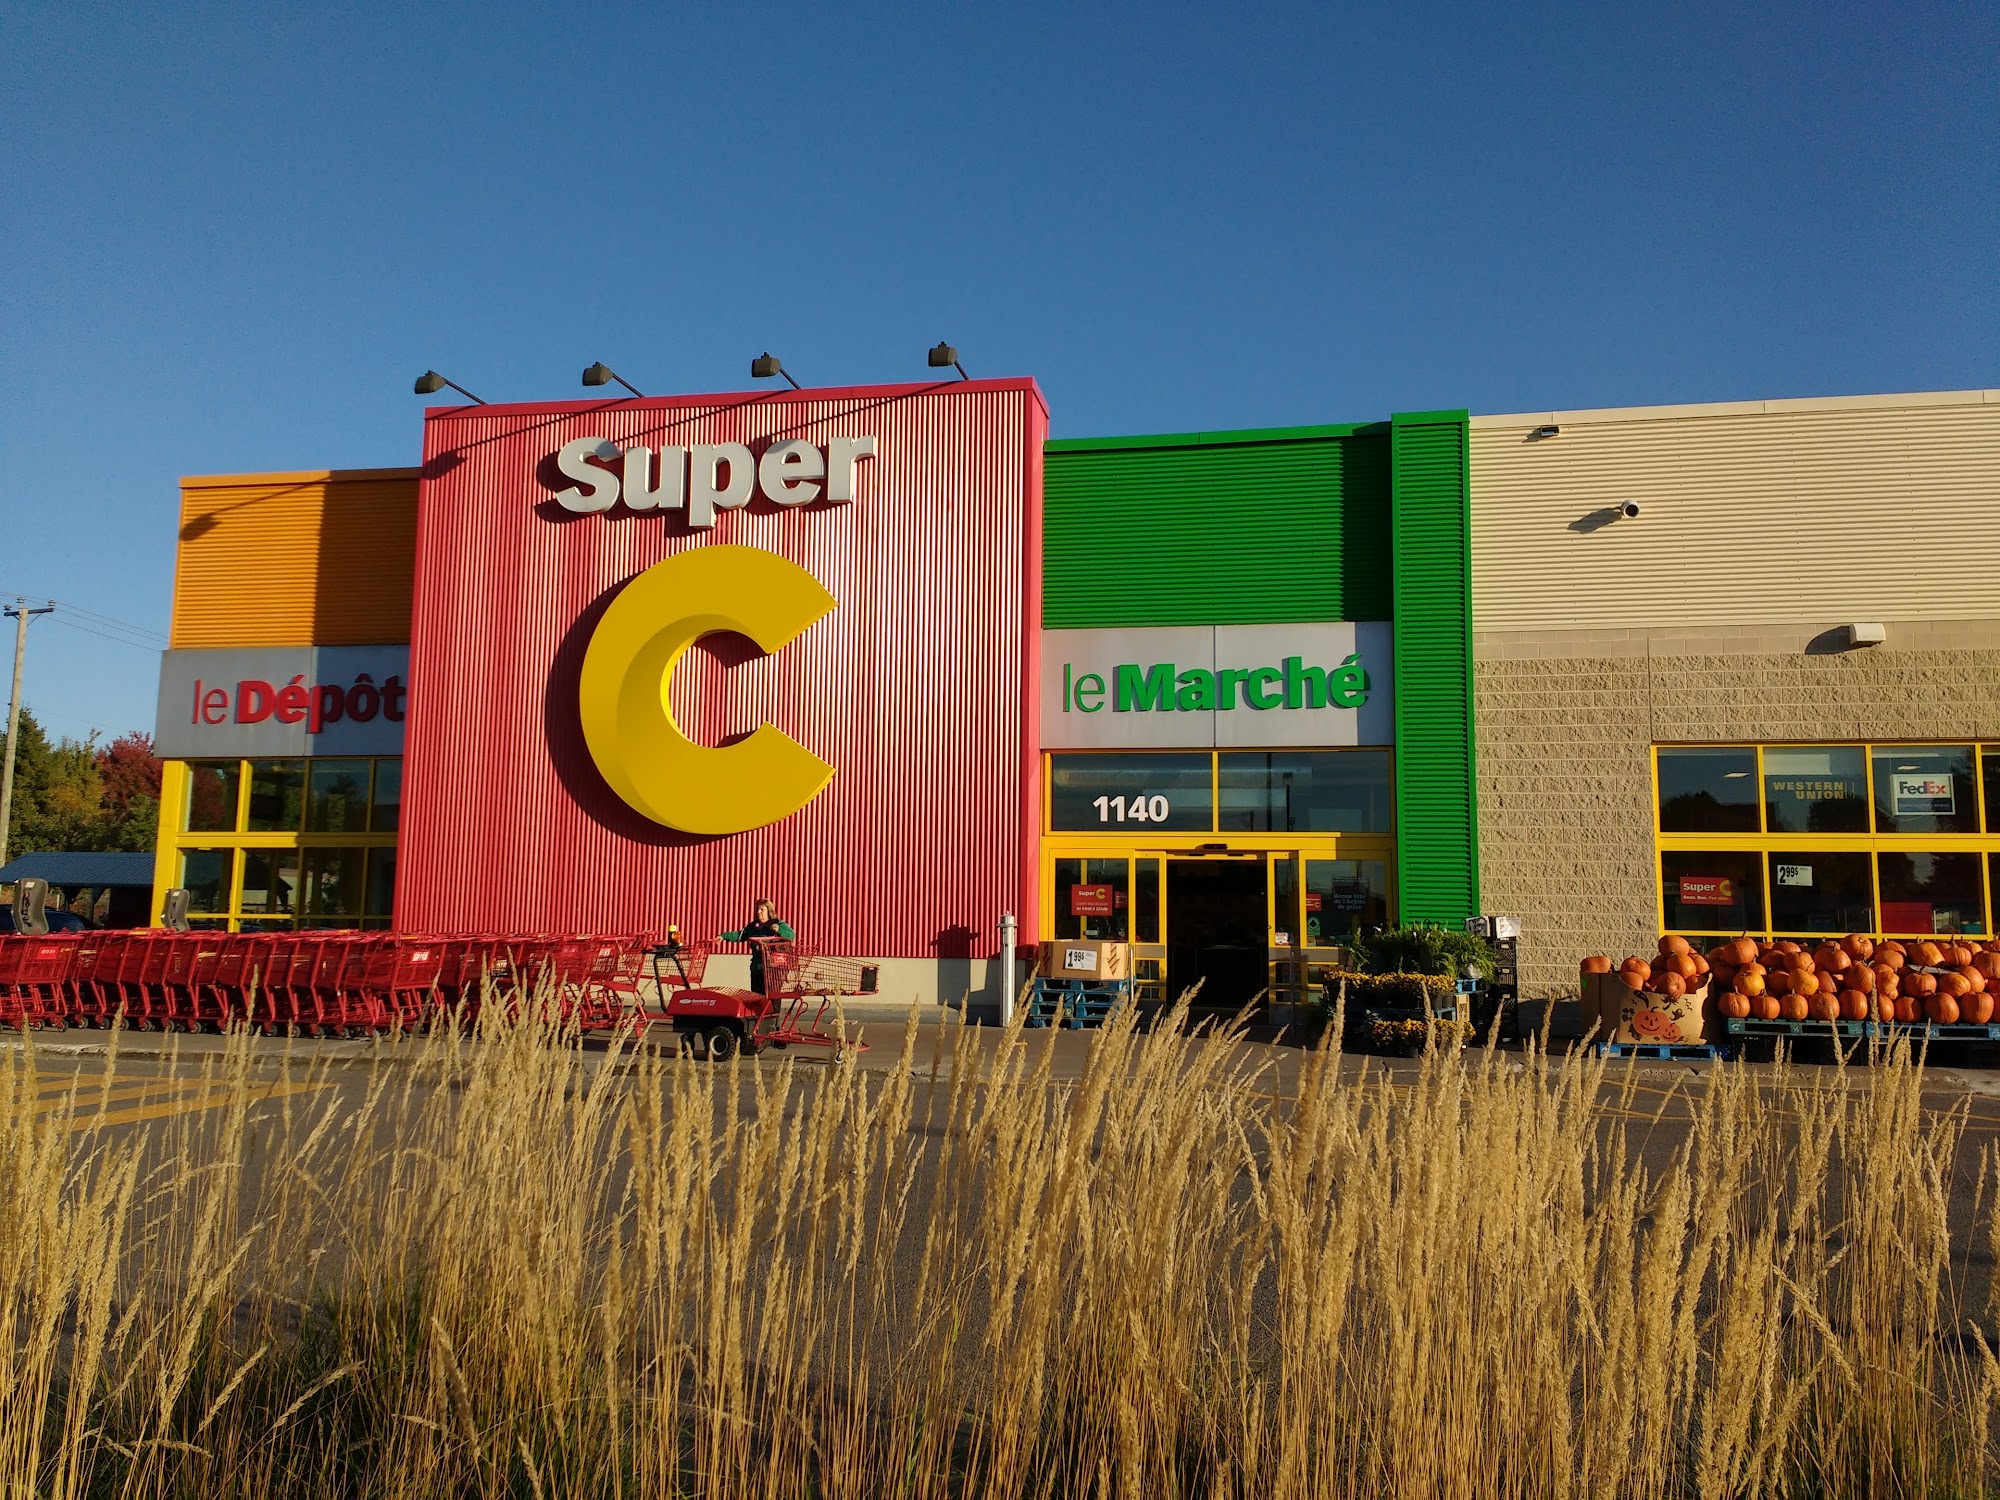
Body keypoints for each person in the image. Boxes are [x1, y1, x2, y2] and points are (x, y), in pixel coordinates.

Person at [722, 899, 794, 995]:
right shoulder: (753, 927)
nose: (758, 912)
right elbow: (740, 935)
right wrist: (723, 936)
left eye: (762, 909)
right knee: (757, 997)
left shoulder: (778, 923)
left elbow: (791, 935)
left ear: (769, 911)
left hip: (774, 969)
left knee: (772, 997)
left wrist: (778, 929)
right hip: (757, 968)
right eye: (757, 909)